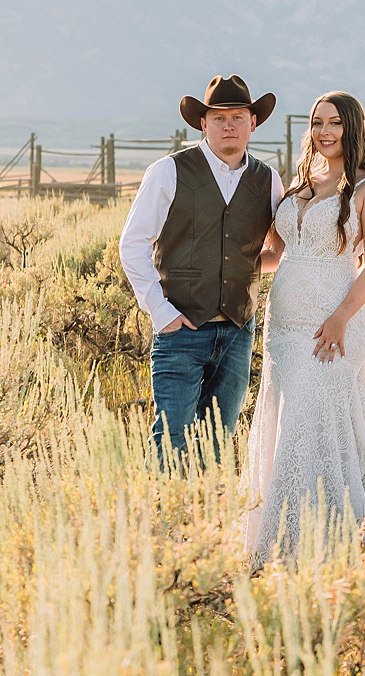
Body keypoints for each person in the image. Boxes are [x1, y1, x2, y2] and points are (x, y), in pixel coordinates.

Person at [244, 91, 365, 566]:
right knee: (292, 425)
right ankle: (283, 545)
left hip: (335, 326)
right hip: (284, 329)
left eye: (334, 122)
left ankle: (328, 549)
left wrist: (340, 317)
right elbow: (277, 255)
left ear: (352, 127)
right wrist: (224, 268)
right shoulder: (302, 184)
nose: (324, 131)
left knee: (311, 421)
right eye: (317, 122)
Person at [119, 75, 283, 462]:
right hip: (180, 329)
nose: (229, 126)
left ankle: (207, 504)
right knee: (170, 438)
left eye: (238, 117)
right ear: (202, 123)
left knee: (218, 442)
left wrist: (244, 275)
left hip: (238, 333)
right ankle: (165, 505)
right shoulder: (169, 171)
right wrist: (161, 312)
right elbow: (133, 244)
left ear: (253, 123)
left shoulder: (268, 180)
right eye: (218, 118)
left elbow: (277, 249)